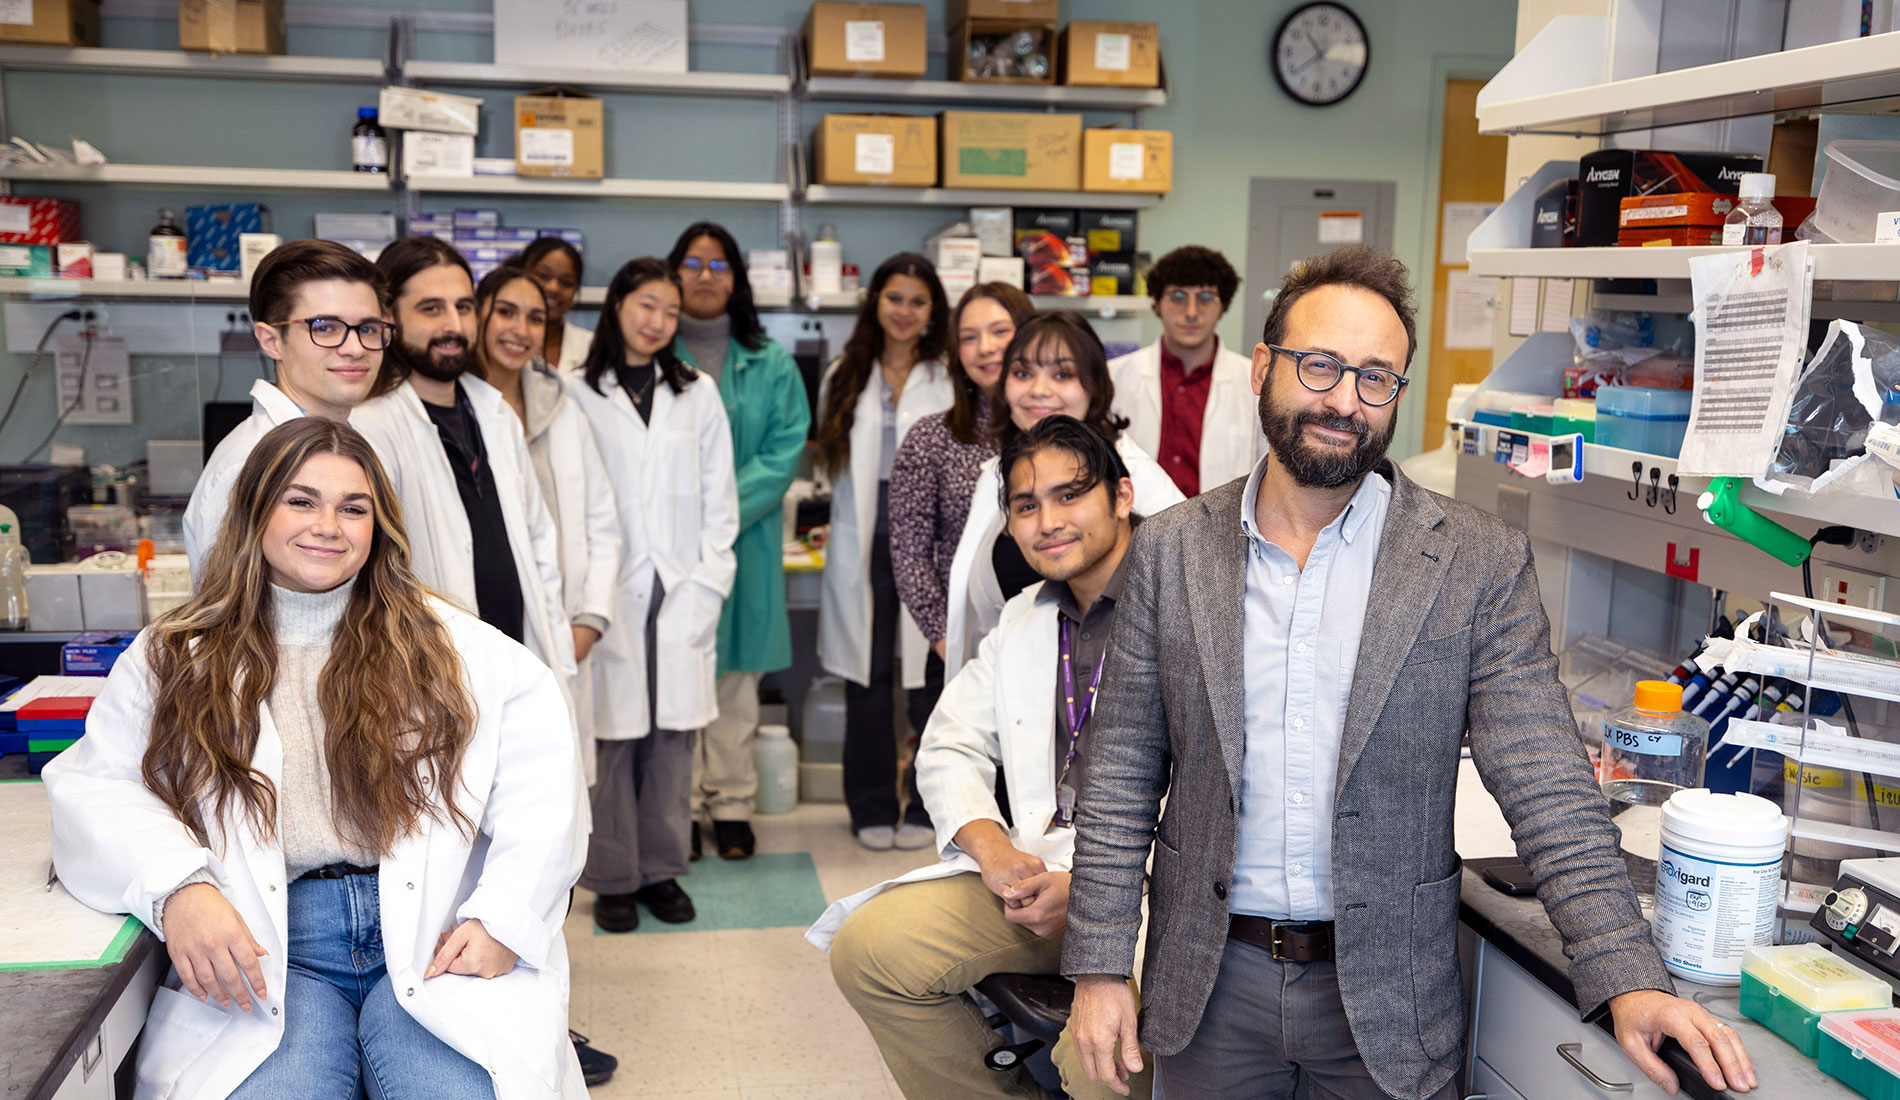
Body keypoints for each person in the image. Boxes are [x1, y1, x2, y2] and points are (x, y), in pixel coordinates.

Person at [1062, 247, 1757, 1100]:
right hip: (1209, 983)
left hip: (1388, 999)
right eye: (1320, 365)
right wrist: (1098, 969)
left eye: (1376, 378)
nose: (1344, 400)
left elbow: (1545, 781)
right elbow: (1120, 772)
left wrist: (1629, 971)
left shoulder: (1474, 561)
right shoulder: (1173, 549)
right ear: (1264, 368)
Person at [46, 418, 588, 1099]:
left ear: (378, 525)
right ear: (256, 511)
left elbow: (544, 790)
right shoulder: (177, 655)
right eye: (301, 500)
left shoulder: (460, 651)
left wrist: (505, 915)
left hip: (436, 938)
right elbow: (98, 787)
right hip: (274, 950)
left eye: (353, 507)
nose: (328, 524)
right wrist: (179, 887)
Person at [814, 415, 1153, 1100]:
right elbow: (947, 745)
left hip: (1154, 903)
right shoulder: (1026, 617)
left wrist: (1091, 894)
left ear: (1122, 495)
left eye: (1069, 495)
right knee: (871, 952)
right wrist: (994, 853)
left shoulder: (1183, 608)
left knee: (1097, 1062)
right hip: (1038, 878)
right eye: (1025, 506)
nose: (1046, 521)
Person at [569, 257, 738, 932]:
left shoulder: (696, 392)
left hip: (681, 586)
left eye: (670, 312)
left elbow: (719, 501)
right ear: (617, 307)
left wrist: (705, 584)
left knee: (672, 740)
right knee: (611, 741)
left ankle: (662, 869)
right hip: (610, 587)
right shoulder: (578, 391)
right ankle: (612, 876)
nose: (657, 322)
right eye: (646, 306)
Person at [350, 237, 577, 697]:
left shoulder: (495, 415)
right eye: (431, 309)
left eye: (464, 307)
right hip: (426, 682)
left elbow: (538, 548)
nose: (454, 325)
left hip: (517, 669)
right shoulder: (369, 427)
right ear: (388, 318)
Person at [665, 221, 811, 862]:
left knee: (736, 684)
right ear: (672, 275)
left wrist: (716, 512)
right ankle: (681, 807)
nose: (704, 275)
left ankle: (730, 804)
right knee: (676, 672)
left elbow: (784, 453)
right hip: (670, 544)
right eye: (692, 263)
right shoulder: (651, 353)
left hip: (743, 543)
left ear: (736, 279)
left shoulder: (771, 363)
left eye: (718, 265)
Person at [942, 312, 1184, 681]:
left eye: (1062, 374)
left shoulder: (1133, 476)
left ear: (1095, 388)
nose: (1039, 390)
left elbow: (1184, 595)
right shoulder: (996, 474)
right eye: (1023, 374)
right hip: (1012, 692)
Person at [814, 252, 953, 851]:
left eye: (917, 301)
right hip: (862, 545)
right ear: (875, 301)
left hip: (929, 544)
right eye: (894, 297)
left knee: (933, 681)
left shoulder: (951, 377)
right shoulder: (845, 373)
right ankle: (869, 801)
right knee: (866, 680)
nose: (904, 311)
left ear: (932, 312)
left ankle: (929, 806)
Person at [470, 264, 622, 787]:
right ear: (478, 315)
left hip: (563, 626)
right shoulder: (453, 410)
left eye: (535, 318)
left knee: (556, 792)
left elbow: (602, 520)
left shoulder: (562, 407)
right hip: (489, 623)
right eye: (506, 312)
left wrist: (589, 621)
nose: (521, 329)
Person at [184, 239, 390, 578]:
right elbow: (227, 615)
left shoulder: (353, 443)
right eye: (325, 327)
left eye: (367, 329)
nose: (355, 348)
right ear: (271, 341)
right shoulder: (247, 462)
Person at [890, 282, 1033, 663]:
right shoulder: (930, 439)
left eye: (1000, 331)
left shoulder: (1061, 433)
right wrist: (948, 643)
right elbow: (910, 555)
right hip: (965, 650)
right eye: (969, 337)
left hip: (1061, 646)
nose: (985, 347)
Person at [1109, 245, 1263, 498]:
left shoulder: (1254, 383)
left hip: (1220, 530)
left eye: (1206, 298)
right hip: (1136, 525)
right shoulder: (1114, 378)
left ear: (1223, 307)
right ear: (1156, 304)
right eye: (1177, 297)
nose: (1191, 313)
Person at [520, 237, 591, 375]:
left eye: (566, 283)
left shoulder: (592, 347)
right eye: (543, 276)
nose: (554, 288)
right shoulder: (502, 340)